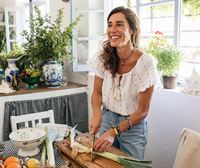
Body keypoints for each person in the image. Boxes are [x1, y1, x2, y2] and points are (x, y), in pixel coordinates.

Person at [88, 6, 159, 160]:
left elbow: (142, 111)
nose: (112, 29)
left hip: (133, 126)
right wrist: (97, 113)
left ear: (132, 30)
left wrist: (113, 132)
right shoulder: (103, 56)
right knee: (103, 163)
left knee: (130, 164)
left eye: (119, 24)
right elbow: (97, 92)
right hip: (108, 118)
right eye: (110, 24)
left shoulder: (145, 63)